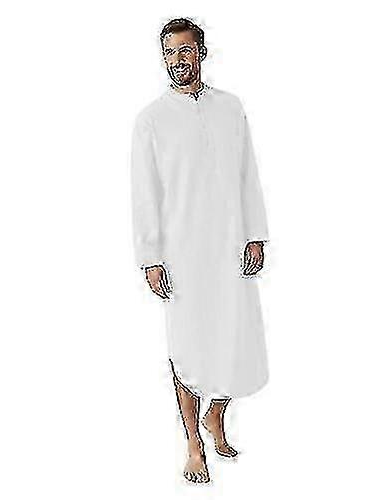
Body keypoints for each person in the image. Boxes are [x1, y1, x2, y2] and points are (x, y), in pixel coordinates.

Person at [130, 18, 270, 484]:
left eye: (186, 50)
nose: (178, 60)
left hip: (230, 245)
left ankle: (216, 416)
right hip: (182, 252)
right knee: (188, 346)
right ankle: (193, 443)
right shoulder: (151, 120)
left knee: (234, 339)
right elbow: (145, 193)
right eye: (170, 52)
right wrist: (151, 256)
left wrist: (255, 233)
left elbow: (248, 173)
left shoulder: (230, 108)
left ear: (202, 52)